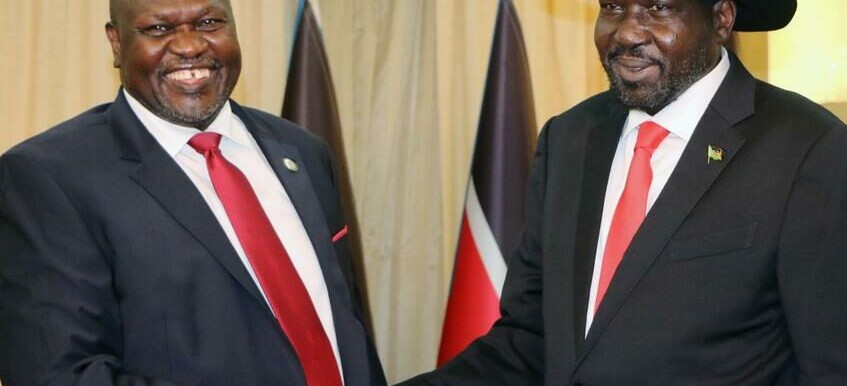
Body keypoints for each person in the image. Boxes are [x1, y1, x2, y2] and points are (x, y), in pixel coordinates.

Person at [403, 0, 847, 384]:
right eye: (613, 7)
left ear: (721, 19)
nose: (628, 32)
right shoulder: (569, 139)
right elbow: (532, 339)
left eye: (658, 8)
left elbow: (830, 366)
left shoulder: (806, 149)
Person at [0, 0, 386, 385]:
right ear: (116, 43)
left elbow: (344, 326)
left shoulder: (303, 151)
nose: (189, 46)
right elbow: (56, 376)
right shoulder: (49, 177)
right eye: (159, 30)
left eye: (209, 22)